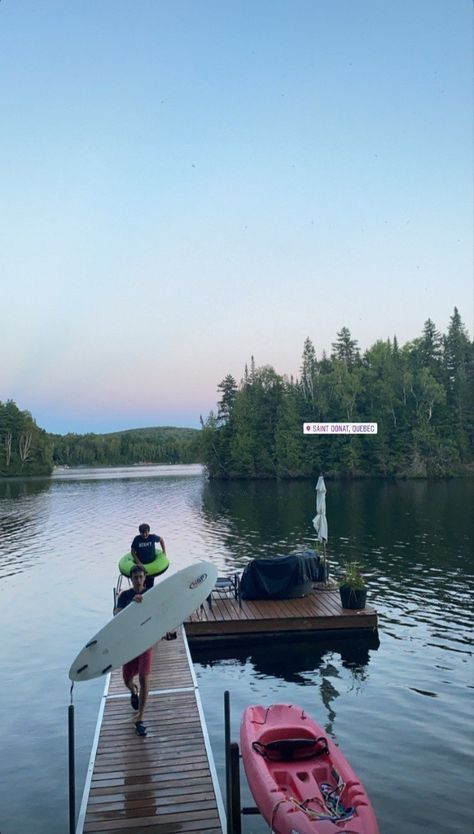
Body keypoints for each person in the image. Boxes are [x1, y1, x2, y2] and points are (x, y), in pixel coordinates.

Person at [114, 565, 153, 736]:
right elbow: (116, 613)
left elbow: (160, 614)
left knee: (144, 677)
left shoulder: (152, 593)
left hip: (145, 639)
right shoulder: (125, 595)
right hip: (128, 641)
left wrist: (166, 631)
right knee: (127, 679)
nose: (138, 580)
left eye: (140, 577)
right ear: (131, 579)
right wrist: (132, 604)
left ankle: (140, 717)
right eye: (135, 577)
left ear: (145, 577)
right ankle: (133, 691)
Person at [131, 522, 167, 590]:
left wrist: (164, 551)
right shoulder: (137, 539)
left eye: (146, 532)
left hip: (151, 566)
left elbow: (161, 540)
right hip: (141, 566)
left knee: (150, 585)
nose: (144, 534)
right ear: (140, 532)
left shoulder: (152, 537)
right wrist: (138, 562)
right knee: (141, 585)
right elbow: (132, 552)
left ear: (148, 531)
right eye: (142, 533)